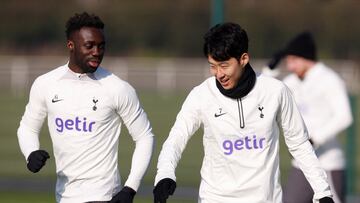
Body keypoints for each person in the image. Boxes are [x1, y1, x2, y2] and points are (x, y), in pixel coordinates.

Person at [152, 22, 335, 203]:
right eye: (212, 66)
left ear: (244, 59)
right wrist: (165, 173)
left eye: (224, 65)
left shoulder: (276, 92)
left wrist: (322, 192)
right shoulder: (201, 95)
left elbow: (300, 145)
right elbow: (176, 138)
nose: (218, 74)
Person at [17, 12, 154, 203]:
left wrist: (130, 188)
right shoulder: (45, 84)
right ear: (71, 45)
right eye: (89, 46)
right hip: (64, 196)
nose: (97, 52)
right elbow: (28, 127)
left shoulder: (117, 88)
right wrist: (31, 152)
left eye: (101, 46)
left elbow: (144, 136)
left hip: (104, 196)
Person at [264, 32, 353, 203]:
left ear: (305, 58)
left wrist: (314, 139)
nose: (289, 66)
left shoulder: (329, 80)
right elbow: (264, 93)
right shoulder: (292, 81)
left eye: (292, 60)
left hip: (328, 164)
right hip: (302, 164)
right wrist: (270, 69)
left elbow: (344, 116)